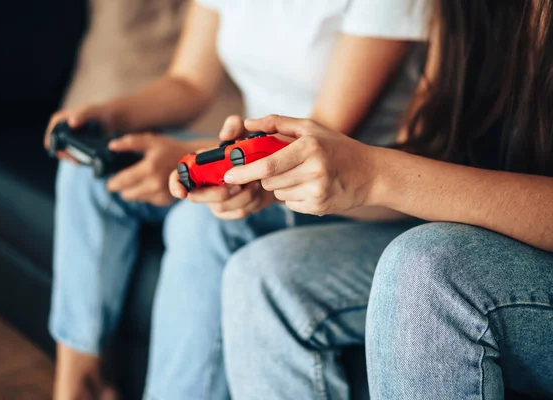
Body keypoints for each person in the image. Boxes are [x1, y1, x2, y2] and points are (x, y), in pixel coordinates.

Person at [45, 0, 428, 399]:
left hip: (344, 192)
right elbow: (189, 83)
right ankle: (78, 384)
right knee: (87, 172)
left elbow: (318, 141)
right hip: (253, 159)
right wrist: (108, 117)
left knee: (204, 222)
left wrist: (185, 159)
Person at [205, 0, 553, 399]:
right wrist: (294, 179)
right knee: (262, 274)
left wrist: (377, 172)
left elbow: (397, 179)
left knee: (426, 266)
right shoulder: (464, 12)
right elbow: (425, 176)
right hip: (481, 243)